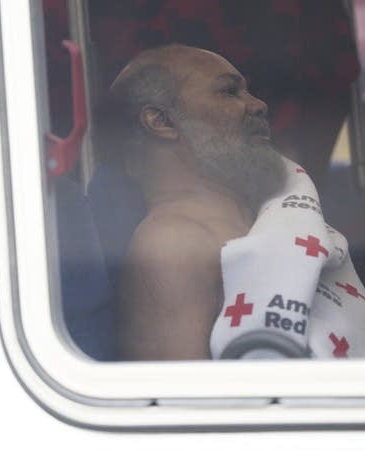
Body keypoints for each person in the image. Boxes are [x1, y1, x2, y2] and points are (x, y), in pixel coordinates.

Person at [107, 44, 288, 360]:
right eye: (229, 92)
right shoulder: (172, 243)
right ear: (162, 121)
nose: (258, 105)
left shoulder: (269, 210)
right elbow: (185, 402)